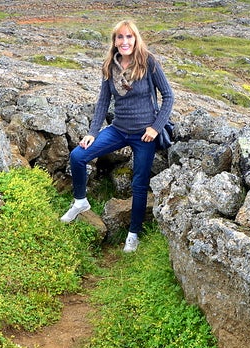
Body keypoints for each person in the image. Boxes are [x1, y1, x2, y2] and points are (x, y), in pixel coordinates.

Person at [61, 20, 174, 253]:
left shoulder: (148, 62)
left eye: (129, 37)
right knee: (78, 156)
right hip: (118, 129)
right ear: (114, 41)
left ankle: (133, 235)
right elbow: (103, 102)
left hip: (144, 135)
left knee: (139, 184)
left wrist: (155, 127)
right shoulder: (109, 67)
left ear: (136, 38)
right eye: (120, 37)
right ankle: (80, 202)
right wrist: (92, 133)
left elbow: (168, 96)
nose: (125, 41)